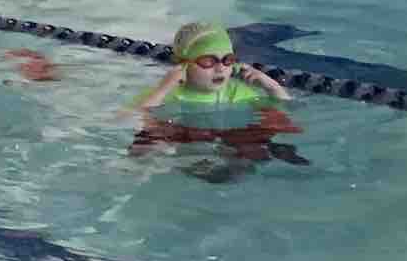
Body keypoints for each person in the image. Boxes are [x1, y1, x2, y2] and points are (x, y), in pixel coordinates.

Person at [130, 21, 306, 178]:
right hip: (188, 137)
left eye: (227, 60)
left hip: (233, 136)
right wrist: (165, 86)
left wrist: (271, 86)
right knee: (148, 143)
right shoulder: (168, 94)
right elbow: (132, 115)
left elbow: (287, 106)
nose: (220, 68)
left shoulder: (237, 91)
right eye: (208, 61)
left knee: (256, 143)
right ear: (183, 64)